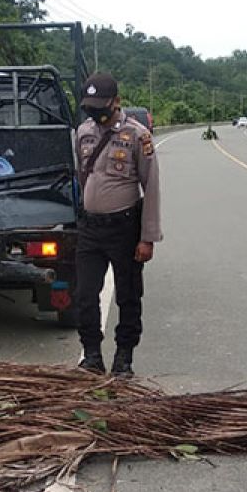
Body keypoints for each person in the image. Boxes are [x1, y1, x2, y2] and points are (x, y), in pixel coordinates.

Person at [73, 72, 163, 376]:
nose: (95, 112)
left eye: (101, 106)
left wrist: (147, 237)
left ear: (117, 102)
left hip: (125, 228)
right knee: (85, 295)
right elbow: (82, 176)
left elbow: (151, 187)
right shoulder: (83, 132)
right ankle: (93, 356)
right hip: (90, 228)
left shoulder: (138, 136)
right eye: (90, 106)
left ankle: (124, 358)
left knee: (127, 295)